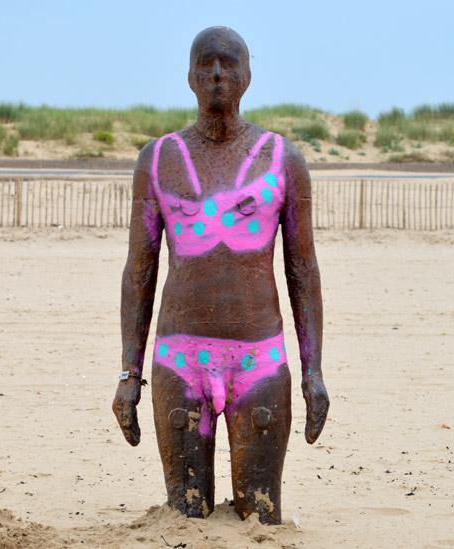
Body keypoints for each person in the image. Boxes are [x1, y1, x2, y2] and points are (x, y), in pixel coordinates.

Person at [111, 26, 329, 524]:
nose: (216, 74)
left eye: (228, 63)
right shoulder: (158, 160)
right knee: (186, 516)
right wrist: (129, 375)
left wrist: (313, 372)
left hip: (260, 362)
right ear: (188, 76)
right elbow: (138, 272)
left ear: (248, 75)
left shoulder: (283, 161)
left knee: (261, 513)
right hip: (178, 361)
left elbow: (303, 269)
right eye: (205, 63)